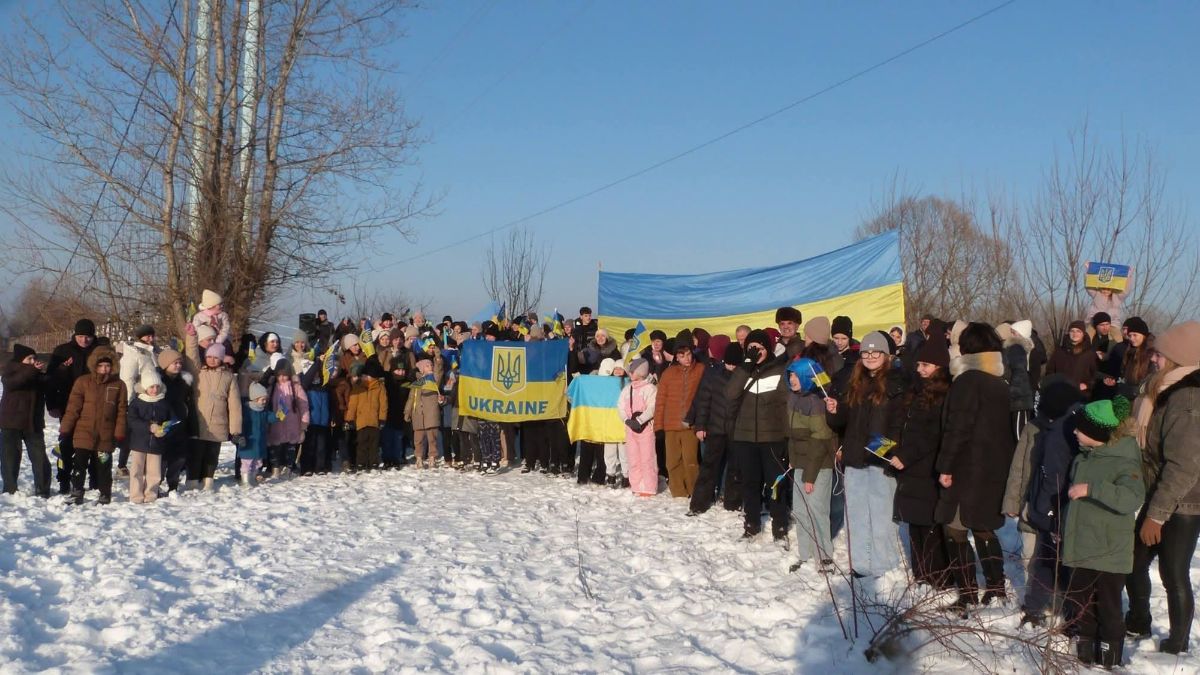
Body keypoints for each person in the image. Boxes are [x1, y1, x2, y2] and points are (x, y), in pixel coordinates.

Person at [1126, 320, 1200, 654]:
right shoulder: (1165, 390)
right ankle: (1138, 620)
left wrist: (1156, 515)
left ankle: (1178, 643)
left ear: (1179, 357)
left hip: (1183, 504)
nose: (1154, 358)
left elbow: (1185, 464)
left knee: (1173, 573)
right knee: (1134, 561)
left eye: (1160, 354)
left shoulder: (1187, 399)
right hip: (1161, 496)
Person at [935, 323, 1015, 613]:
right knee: (984, 527)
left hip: (966, 468)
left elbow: (958, 427)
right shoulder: (1000, 382)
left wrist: (945, 465)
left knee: (955, 530)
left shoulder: (966, 381)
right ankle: (995, 589)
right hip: (993, 468)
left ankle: (967, 593)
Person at [1061, 396, 1143, 669]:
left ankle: (1110, 657)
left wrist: (1091, 489)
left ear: (1097, 433)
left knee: (1109, 607)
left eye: (1080, 428)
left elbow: (1130, 498)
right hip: (1083, 548)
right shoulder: (1085, 458)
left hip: (1109, 553)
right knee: (1081, 602)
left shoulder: (1125, 462)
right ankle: (1085, 650)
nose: (1074, 431)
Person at [1001, 375, 1084, 628]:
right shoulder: (1033, 428)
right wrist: (1012, 501)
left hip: (1059, 510)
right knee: (1030, 556)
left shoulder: (1075, 434)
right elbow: (1019, 468)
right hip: (1031, 504)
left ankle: (1058, 603)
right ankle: (1034, 602)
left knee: (1055, 561)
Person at [825, 330, 906, 575]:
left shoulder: (897, 382)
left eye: (875, 352)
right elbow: (842, 422)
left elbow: (898, 424)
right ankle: (860, 565)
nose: (870, 356)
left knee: (881, 517)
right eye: (866, 352)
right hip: (854, 460)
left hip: (881, 461)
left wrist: (880, 450)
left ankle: (884, 565)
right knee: (857, 515)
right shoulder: (855, 382)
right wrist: (833, 410)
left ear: (886, 354)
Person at [892, 333, 951, 587]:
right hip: (911, 466)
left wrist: (906, 455)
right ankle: (921, 574)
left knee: (928, 523)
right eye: (918, 364)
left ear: (939, 366)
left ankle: (937, 575)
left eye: (925, 365)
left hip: (927, 466)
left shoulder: (943, 394)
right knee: (914, 523)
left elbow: (931, 434)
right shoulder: (915, 390)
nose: (920, 369)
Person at [785, 334, 841, 573]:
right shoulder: (793, 398)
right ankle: (806, 552)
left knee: (817, 509)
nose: (792, 379)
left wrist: (809, 476)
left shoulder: (817, 402)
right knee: (799, 509)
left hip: (819, 465)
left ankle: (824, 554)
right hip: (800, 462)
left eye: (796, 375)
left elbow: (820, 439)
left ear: (808, 376)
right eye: (790, 375)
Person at [728, 329, 791, 540]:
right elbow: (730, 394)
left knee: (775, 484)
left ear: (769, 349)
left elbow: (786, 406)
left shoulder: (780, 370)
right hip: (745, 438)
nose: (757, 352)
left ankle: (780, 524)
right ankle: (751, 522)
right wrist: (746, 365)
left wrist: (786, 436)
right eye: (752, 348)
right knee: (750, 483)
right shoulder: (742, 371)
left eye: (761, 348)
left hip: (772, 438)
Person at [59, 346, 127, 505]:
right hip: (84, 432)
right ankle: (77, 492)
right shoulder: (83, 382)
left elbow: (122, 410)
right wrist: (65, 428)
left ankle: (105, 493)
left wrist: (119, 432)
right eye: (101, 365)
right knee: (79, 464)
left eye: (108, 365)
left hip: (106, 434)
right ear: (94, 365)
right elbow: (73, 408)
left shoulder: (119, 385)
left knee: (104, 466)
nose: (104, 369)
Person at [46, 319, 103, 494]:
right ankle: (64, 480)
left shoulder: (99, 351)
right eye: (80, 336)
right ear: (75, 335)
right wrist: (52, 404)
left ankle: (95, 481)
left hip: (94, 406)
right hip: (67, 405)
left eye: (88, 337)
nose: (84, 340)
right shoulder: (62, 352)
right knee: (66, 445)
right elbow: (49, 380)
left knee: (94, 445)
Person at [687, 337, 741, 514]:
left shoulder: (743, 377)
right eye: (729, 364)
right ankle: (698, 503)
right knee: (708, 467)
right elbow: (703, 402)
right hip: (715, 429)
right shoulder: (713, 375)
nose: (731, 367)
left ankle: (732, 503)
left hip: (736, 430)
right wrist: (700, 426)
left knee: (735, 467)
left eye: (735, 364)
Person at [655, 332, 705, 498]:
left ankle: (693, 490)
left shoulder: (700, 370)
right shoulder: (669, 374)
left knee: (691, 460)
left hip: (689, 425)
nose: (687, 358)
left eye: (689, 354)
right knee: (672, 461)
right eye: (682, 355)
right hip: (670, 425)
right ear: (676, 356)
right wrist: (659, 426)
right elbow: (660, 401)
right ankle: (678, 492)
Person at [1, 343, 51, 498]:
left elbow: (48, 382)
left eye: (34, 358)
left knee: (40, 458)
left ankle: (42, 490)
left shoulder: (35, 374)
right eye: (29, 358)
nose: (33, 361)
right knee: (10, 459)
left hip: (32, 423)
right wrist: (33, 370)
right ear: (20, 360)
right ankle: (9, 489)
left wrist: (61, 369)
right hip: (11, 422)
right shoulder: (10, 371)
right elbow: (14, 383)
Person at [189, 343, 241, 490]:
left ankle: (208, 479)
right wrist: (192, 337)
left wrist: (235, 429)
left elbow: (234, 405)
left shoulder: (229, 377)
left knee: (212, 455)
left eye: (216, 357)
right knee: (196, 454)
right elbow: (192, 355)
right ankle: (193, 479)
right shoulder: (198, 373)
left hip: (219, 422)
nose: (212, 360)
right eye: (209, 357)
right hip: (199, 422)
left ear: (222, 359)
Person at [125, 369, 173, 504]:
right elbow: (132, 421)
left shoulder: (164, 402)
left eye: (157, 386)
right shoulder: (137, 402)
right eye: (152, 387)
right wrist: (149, 427)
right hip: (139, 442)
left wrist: (165, 429)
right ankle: (136, 495)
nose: (155, 390)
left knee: (154, 472)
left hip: (157, 442)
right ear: (145, 387)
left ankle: (151, 494)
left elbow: (170, 419)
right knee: (136, 470)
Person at [116, 324, 159, 475]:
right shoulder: (134, 353)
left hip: (151, 395)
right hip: (137, 398)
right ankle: (122, 464)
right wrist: (127, 401)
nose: (151, 339)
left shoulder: (151, 352)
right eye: (147, 336)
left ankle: (148, 463)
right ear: (140, 337)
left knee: (147, 430)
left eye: (152, 335)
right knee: (132, 433)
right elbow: (127, 378)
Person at [156, 349, 194, 494]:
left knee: (178, 457)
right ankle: (156, 484)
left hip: (180, 422)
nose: (178, 366)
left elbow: (188, 402)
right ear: (165, 364)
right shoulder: (158, 380)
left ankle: (173, 485)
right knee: (162, 459)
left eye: (179, 363)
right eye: (174, 363)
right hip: (163, 423)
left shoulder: (184, 382)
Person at [618, 358, 658, 497]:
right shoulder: (627, 389)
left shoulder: (650, 389)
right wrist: (626, 420)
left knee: (647, 458)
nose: (630, 374)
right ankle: (635, 484)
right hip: (630, 428)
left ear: (641, 372)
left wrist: (640, 420)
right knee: (633, 457)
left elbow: (652, 408)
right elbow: (621, 406)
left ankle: (648, 487)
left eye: (633, 371)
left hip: (645, 428)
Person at [266, 359, 309, 478]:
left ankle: (289, 467)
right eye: (279, 375)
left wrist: (304, 424)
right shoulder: (272, 388)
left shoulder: (296, 388)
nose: (282, 378)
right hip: (276, 425)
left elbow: (303, 405)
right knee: (276, 448)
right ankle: (275, 467)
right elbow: (266, 403)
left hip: (292, 424)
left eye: (285, 375)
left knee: (290, 448)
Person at [348, 360, 389, 472]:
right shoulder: (357, 387)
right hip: (361, 421)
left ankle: (373, 462)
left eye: (369, 376)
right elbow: (353, 404)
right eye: (365, 376)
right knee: (361, 443)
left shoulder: (380, 387)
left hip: (375, 420)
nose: (367, 378)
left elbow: (383, 404)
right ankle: (361, 463)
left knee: (374, 444)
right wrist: (350, 419)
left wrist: (382, 418)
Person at [998, 321, 1035, 440]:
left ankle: (1024, 457)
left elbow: (1019, 372)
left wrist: (1013, 392)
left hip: (1019, 399)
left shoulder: (1016, 348)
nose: (1011, 335)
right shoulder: (1017, 349)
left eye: (1014, 332)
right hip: (1017, 397)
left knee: (1020, 434)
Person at [1045, 320, 1099, 396]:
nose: (1075, 334)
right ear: (1069, 333)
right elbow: (1050, 371)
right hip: (1060, 393)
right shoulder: (1059, 351)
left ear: (1083, 334)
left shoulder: (1089, 353)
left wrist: (1088, 385)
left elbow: (1095, 374)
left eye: (1078, 331)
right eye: (1072, 331)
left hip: (1081, 395)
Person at [405, 356, 440, 469]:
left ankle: (432, 458)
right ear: (422, 369)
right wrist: (407, 412)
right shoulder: (417, 383)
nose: (431, 366)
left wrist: (438, 359)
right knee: (418, 439)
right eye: (427, 365)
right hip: (418, 414)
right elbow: (411, 398)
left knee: (432, 438)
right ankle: (419, 458)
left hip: (431, 413)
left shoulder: (434, 379)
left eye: (431, 365)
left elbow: (439, 371)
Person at [237, 382, 273, 485]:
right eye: (262, 399)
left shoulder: (263, 411)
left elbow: (270, 417)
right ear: (255, 399)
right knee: (247, 462)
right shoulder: (247, 411)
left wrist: (280, 415)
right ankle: (245, 480)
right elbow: (242, 424)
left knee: (257, 462)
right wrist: (241, 435)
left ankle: (252, 478)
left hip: (259, 442)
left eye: (265, 399)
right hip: (248, 442)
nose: (264, 402)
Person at [1117, 317, 1154, 400]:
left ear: (1143, 335)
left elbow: (1152, 381)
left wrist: (1133, 391)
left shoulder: (1152, 354)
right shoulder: (1130, 351)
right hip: (1127, 397)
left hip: (1142, 399)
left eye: (1135, 335)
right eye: (1130, 335)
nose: (1132, 338)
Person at [1085, 264, 1133, 328]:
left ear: (1112, 289)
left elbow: (1126, 290)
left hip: (1112, 323)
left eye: (1108, 289)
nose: (1105, 291)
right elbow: (1089, 286)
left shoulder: (1117, 297)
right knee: (1089, 334)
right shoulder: (1097, 294)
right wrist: (1088, 270)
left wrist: (1128, 276)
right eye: (1103, 288)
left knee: (1116, 335)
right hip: (1095, 322)